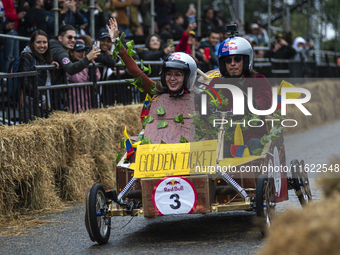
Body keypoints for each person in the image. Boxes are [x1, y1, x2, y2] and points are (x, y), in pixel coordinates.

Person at [205, 28, 273, 156]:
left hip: (252, 134)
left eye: (237, 59)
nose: (232, 64)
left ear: (246, 61)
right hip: (224, 134)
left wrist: (251, 102)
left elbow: (264, 102)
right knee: (215, 148)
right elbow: (207, 103)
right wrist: (202, 101)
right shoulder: (216, 83)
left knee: (254, 145)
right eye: (228, 60)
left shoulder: (259, 80)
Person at [18, 29, 59, 122]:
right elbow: (24, 81)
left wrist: (50, 66)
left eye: (45, 42)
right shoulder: (26, 57)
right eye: (38, 42)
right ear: (32, 44)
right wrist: (41, 98)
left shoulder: (44, 58)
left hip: (39, 102)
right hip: (30, 103)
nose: (42, 45)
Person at [67, 40, 101, 113]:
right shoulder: (69, 65)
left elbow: (97, 77)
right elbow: (78, 79)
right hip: (75, 103)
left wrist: (91, 62)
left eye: (83, 51)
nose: (81, 53)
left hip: (88, 101)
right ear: (71, 52)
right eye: (78, 51)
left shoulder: (88, 63)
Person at [1, 0, 26, 72]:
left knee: (15, 57)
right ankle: (4, 79)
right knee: (9, 57)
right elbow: (4, 14)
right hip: (8, 31)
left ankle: (12, 79)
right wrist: (17, 16)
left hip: (14, 30)